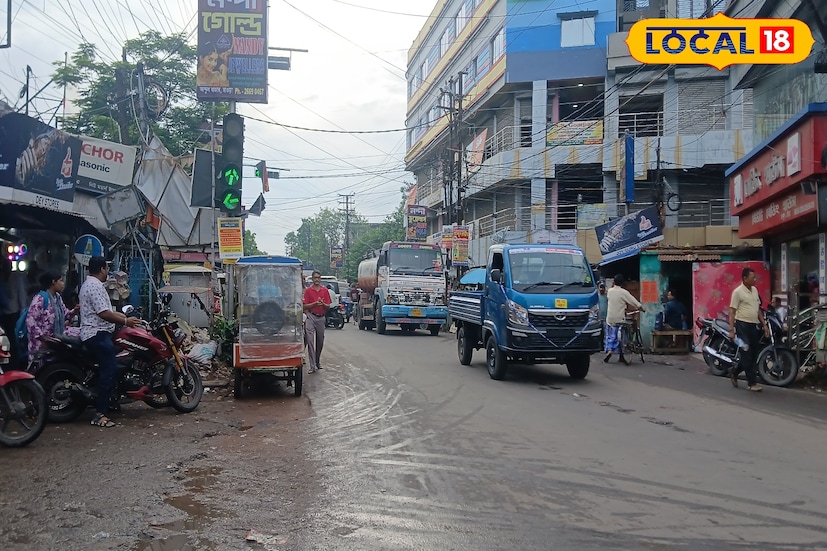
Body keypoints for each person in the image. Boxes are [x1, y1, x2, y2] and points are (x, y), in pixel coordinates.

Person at [79, 256, 140, 428]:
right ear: (102, 269)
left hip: (97, 333)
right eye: (107, 268)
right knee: (109, 371)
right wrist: (126, 322)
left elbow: (108, 311)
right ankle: (100, 414)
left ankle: (111, 401)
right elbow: (103, 313)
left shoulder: (90, 284)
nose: (108, 272)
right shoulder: (94, 286)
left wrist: (124, 317)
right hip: (96, 334)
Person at [25, 271, 80, 364]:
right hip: (41, 344)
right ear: (53, 282)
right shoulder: (40, 299)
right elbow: (31, 321)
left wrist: (74, 311)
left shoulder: (57, 298)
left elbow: (65, 314)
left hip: (55, 341)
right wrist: (42, 339)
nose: (63, 284)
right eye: (61, 281)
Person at [728, 267, 769, 392]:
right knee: (746, 352)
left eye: (755, 277)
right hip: (742, 325)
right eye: (753, 278)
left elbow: (758, 310)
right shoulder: (738, 292)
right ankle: (752, 383)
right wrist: (731, 330)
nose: (755, 280)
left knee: (754, 353)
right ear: (745, 279)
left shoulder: (755, 290)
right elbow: (732, 311)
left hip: (753, 325)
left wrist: (764, 324)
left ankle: (734, 372)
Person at [604, 274, 645, 365]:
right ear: (622, 283)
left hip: (610, 318)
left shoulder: (610, 291)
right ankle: (617, 350)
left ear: (614, 282)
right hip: (620, 318)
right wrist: (641, 308)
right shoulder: (623, 292)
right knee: (621, 334)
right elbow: (633, 301)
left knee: (610, 335)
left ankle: (610, 350)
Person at [302, 271, 331, 373]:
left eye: (318, 277)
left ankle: (317, 361)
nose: (317, 279)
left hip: (321, 317)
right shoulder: (309, 291)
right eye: (315, 278)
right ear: (312, 279)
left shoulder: (325, 291)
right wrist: (315, 304)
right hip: (311, 316)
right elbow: (304, 306)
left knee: (320, 341)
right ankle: (312, 365)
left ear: (320, 279)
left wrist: (323, 304)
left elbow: (328, 306)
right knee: (310, 341)